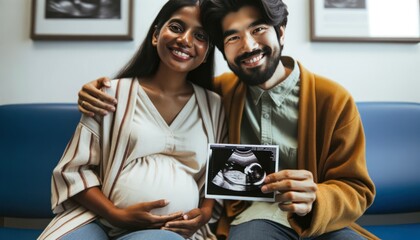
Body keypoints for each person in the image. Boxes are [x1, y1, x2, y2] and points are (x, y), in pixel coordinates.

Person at [76, 0, 377, 239]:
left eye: (258, 29)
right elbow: (159, 91)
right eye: (233, 37)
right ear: (220, 50)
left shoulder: (334, 98)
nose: (247, 46)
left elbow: (358, 188)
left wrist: (318, 197)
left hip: (322, 223)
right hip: (251, 218)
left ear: (281, 32)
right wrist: (92, 91)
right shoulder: (215, 95)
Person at [38, 0, 227, 239]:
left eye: (200, 35)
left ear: (207, 52)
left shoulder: (214, 105)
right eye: (177, 28)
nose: (185, 40)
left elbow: (217, 176)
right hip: (98, 219)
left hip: (172, 231)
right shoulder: (109, 93)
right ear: (156, 35)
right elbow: (74, 171)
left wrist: (205, 213)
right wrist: (116, 214)